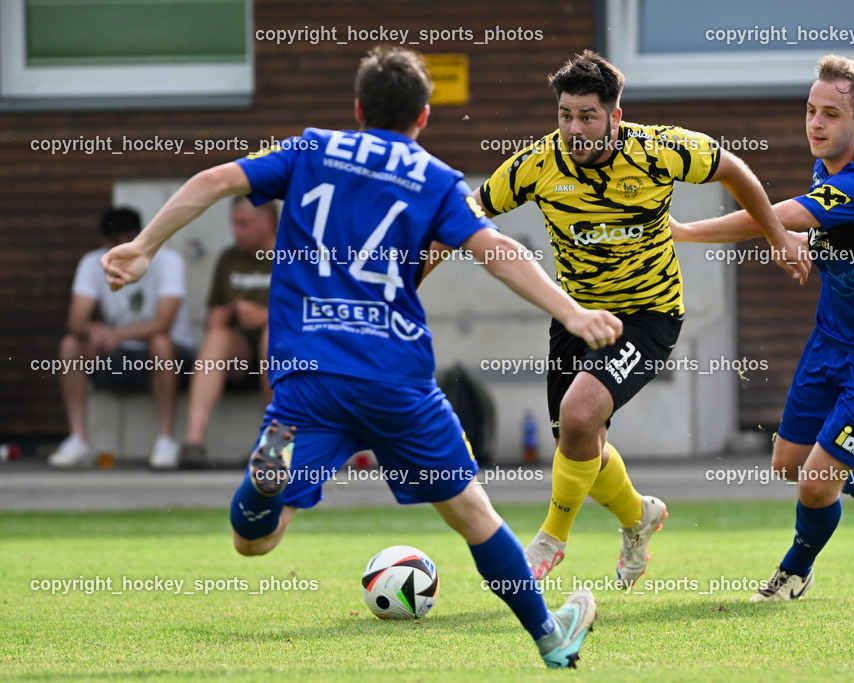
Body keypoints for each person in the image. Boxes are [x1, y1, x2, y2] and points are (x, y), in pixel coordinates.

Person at [101, 46, 622, 668]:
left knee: (254, 540)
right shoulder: (434, 179)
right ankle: (549, 635)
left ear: (357, 108)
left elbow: (214, 181)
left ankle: (269, 474)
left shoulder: (310, 150)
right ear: (424, 117)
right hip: (395, 381)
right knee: (472, 514)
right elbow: (493, 247)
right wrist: (571, 311)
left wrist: (141, 246)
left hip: (308, 379)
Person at [463, 50, 808, 588]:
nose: (573, 130)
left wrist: (777, 235)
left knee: (579, 416)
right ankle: (638, 517)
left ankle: (550, 540)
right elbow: (466, 214)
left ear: (615, 117)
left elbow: (733, 169)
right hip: (577, 318)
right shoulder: (537, 164)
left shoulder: (659, 150)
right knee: (581, 446)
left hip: (648, 316)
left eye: (587, 117)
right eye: (564, 115)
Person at [672, 55, 854, 600]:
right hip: (833, 338)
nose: (816, 124)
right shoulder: (830, 166)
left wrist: (683, 231)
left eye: (832, 115)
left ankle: (793, 572)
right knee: (787, 464)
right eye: (810, 111)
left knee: (818, 481)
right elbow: (846, 242)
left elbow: (770, 217)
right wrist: (805, 249)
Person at [49, 207, 195, 470]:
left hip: (166, 354)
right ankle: (79, 439)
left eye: (131, 238)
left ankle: (166, 440)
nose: (125, 246)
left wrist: (115, 334)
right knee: (71, 344)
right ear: (105, 242)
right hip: (117, 354)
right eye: (118, 240)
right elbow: (76, 320)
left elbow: (163, 324)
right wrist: (95, 332)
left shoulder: (168, 260)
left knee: (160, 343)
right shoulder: (93, 263)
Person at [179, 196, 276, 469]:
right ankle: (193, 443)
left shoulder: (292, 256)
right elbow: (213, 314)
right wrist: (220, 316)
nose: (236, 231)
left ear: (267, 222)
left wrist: (265, 315)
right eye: (234, 224)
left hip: (282, 352)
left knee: (274, 335)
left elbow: (311, 314)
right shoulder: (229, 258)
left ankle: (271, 444)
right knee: (217, 336)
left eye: (243, 224)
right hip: (240, 353)